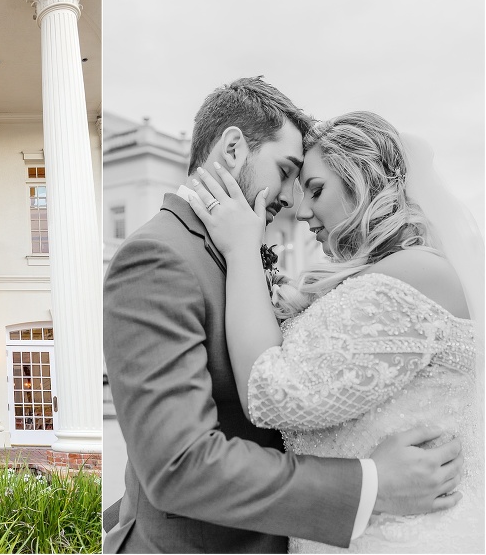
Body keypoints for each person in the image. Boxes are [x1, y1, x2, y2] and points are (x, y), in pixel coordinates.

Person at [103, 78, 465, 554]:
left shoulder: (235, 251)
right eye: (287, 170)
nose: (294, 202)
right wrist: (369, 484)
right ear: (233, 148)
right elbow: (179, 464)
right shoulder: (159, 257)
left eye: (310, 185)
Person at [187, 110, 483, 552]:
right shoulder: (386, 274)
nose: (301, 211)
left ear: (363, 180)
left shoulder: (414, 273)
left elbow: (269, 391)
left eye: (316, 189)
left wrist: (242, 248)